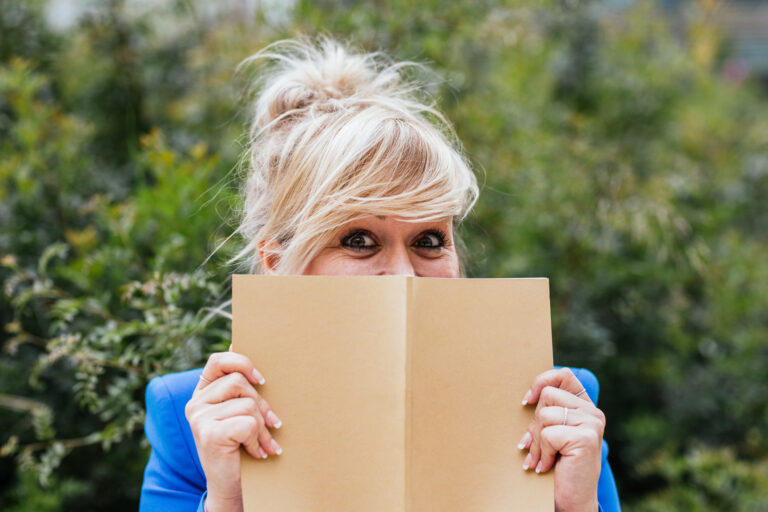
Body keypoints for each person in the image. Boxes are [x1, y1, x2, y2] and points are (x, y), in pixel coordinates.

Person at [139, 37, 621, 512]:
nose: (403, 276)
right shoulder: (191, 420)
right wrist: (226, 502)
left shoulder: (557, 411)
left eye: (429, 241)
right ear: (275, 263)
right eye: (358, 240)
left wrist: (577, 507)